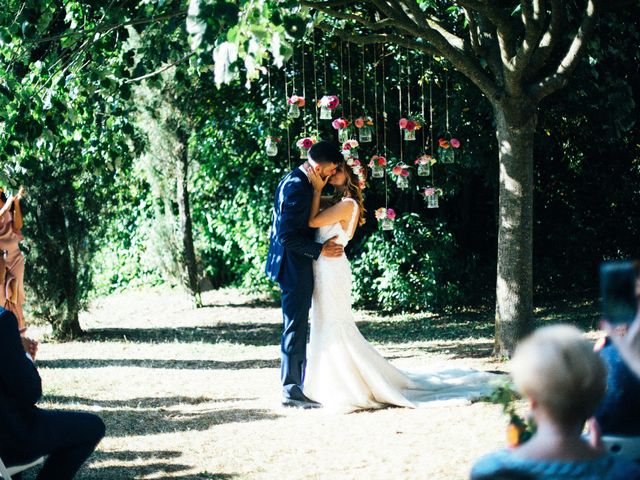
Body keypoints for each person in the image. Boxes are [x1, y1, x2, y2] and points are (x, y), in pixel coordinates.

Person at [303, 161, 498, 412]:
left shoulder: (348, 204)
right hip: (324, 268)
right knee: (323, 323)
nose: (331, 173)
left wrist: (317, 190)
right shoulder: (336, 201)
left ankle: (348, 384)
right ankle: (325, 382)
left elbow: (311, 221)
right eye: (330, 170)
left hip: (332, 271)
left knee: (335, 324)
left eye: (337, 170)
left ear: (349, 174)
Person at [470, 325, 640, 480]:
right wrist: (603, 463)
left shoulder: (488, 470)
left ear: (531, 399)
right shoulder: (627, 473)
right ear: (596, 400)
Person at [265, 141, 345, 409]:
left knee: (295, 325)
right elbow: (287, 235)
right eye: (331, 169)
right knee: (295, 327)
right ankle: (291, 390)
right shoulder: (299, 186)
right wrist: (319, 249)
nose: (332, 174)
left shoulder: (295, 177)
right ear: (320, 166)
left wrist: (324, 197)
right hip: (293, 267)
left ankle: (295, 385)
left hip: (290, 264)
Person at [0, 307, 105, 479]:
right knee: (92, 427)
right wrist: (23, 354)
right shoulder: (3, 321)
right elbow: (30, 391)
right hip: (10, 440)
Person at [0, 186, 27, 332]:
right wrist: (8, 203)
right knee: (1, 296)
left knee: (15, 295)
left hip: (14, 257)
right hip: (0, 259)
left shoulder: (7, 203)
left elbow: (18, 226)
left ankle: (18, 333)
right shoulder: (5, 205)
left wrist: (16, 203)